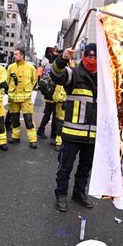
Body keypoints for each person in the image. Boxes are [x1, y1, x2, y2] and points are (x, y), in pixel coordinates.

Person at [50, 43, 98, 212]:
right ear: (83, 56)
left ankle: (79, 193)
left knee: (85, 168)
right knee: (65, 167)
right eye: (89, 56)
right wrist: (63, 58)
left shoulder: (105, 80)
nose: (92, 60)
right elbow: (56, 74)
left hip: (93, 136)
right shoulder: (74, 73)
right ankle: (61, 194)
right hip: (72, 134)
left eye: (95, 57)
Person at [6, 47, 38, 148]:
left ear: (22, 55)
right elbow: (7, 81)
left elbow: (34, 80)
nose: (14, 56)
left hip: (25, 98)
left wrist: (27, 90)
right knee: (15, 120)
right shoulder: (10, 67)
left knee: (28, 120)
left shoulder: (31, 67)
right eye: (14, 54)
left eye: (16, 54)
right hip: (13, 97)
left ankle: (33, 140)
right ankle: (16, 137)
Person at [37, 47, 58, 140]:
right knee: (54, 115)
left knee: (48, 114)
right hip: (54, 93)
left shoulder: (47, 65)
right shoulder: (52, 66)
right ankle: (53, 134)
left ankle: (41, 130)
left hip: (50, 93)